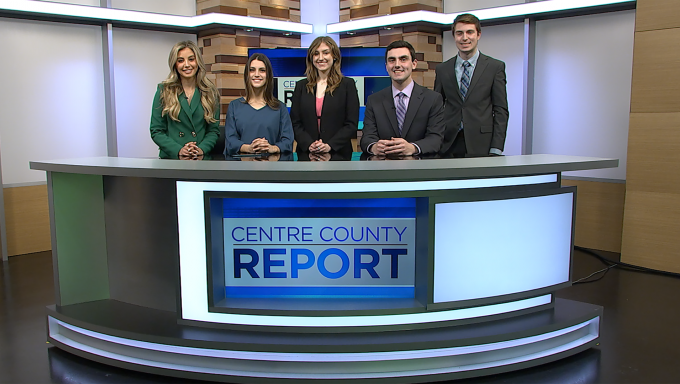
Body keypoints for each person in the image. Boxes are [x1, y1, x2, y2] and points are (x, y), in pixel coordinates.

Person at [435, 13, 509, 157]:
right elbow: (436, 109)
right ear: (454, 36)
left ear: (478, 34)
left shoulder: (495, 67)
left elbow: (501, 110)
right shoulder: (442, 69)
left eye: (470, 32)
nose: (464, 38)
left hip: (482, 143)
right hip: (448, 144)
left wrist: (496, 148)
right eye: (459, 33)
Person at [360, 40, 445, 156]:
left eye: (403, 59)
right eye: (392, 60)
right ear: (386, 67)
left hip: (421, 168)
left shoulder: (432, 99)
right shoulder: (374, 100)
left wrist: (413, 148)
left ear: (414, 64)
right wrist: (374, 147)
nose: (397, 65)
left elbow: (436, 139)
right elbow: (366, 138)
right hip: (384, 167)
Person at [290, 36, 359, 157]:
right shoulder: (301, 86)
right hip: (307, 153)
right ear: (311, 58)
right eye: (316, 54)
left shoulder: (347, 85)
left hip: (339, 153)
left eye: (325, 53)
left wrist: (330, 145)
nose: (321, 58)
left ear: (334, 56)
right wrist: (309, 143)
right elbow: (295, 122)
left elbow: (351, 124)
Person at [150, 40, 220, 159]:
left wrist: (201, 149)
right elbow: (156, 130)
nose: (187, 65)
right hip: (172, 159)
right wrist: (178, 150)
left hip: (200, 158)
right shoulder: (164, 91)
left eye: (191, 59)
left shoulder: (210, 92)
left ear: (198, 62)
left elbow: (213, 131)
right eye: (180, 60)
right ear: (174, 64)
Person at [224, 53, 293, 155]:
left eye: (262, 70)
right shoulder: (234, 106)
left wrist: (272, 148)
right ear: (247, 74)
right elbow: (230, 141)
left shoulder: (280, 108)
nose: (257, 74)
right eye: (252, 70)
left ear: (268, 75)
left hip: (272, 167)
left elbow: (288, 141)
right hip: (242, 166)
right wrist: (250, 148)